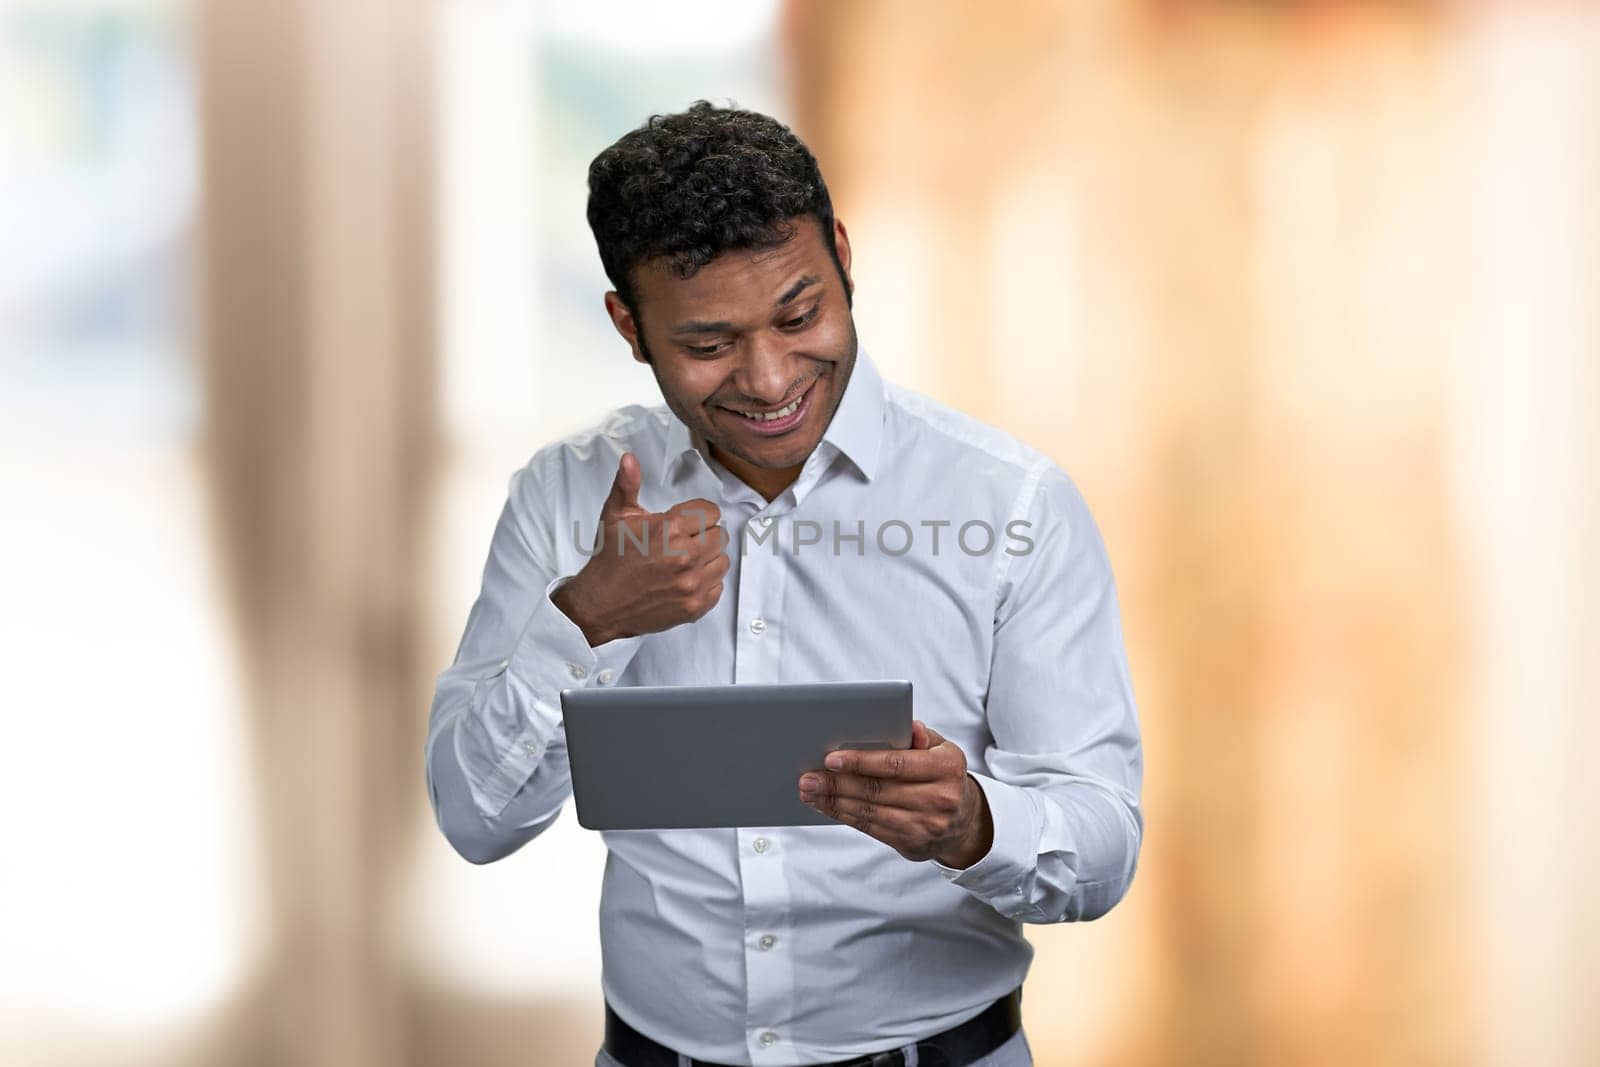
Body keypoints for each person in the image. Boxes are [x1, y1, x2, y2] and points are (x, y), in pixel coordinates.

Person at [423, 101, 1143, 1067]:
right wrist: (586, 622)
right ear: (628, 327)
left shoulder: (1015, 504)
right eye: (709, 343)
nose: (768, 379)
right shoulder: (565, 497)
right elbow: (475, 820)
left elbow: (1102, 844)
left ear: (844, 257)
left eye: (800, 315)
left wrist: (976, 822)